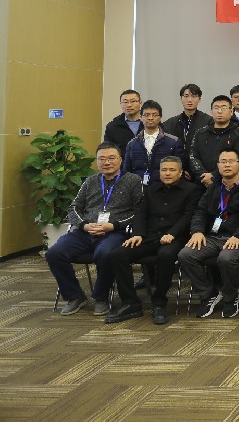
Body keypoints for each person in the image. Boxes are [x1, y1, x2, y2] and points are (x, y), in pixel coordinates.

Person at [45, 142, 143, 316]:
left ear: (120, 160)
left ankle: (101, 297)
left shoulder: (132, 180)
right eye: (101, 159)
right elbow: (73, 208)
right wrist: (84, 225)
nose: (107, 162)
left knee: (106, 254)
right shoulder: (90, 181)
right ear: (97, 162)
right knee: (54, 253)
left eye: (111, 158)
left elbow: (140, 211)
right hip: (85, 231)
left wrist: (114, 225)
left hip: (114, 232)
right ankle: (75, 296)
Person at [105, 156, 199, 324]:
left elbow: (188, 216)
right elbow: (141, 213)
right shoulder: (150, 190)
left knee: (166, 255)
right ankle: (131, 302)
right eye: (164, 170)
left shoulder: (191, 190)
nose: (167, 173)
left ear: (180, 173)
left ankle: (159, 303)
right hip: (149, 236)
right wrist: (138, 234)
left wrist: (172, 233)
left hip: (176, 237)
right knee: (118, 255)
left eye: (172, 170)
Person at [177, 148, 239, 319]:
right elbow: (200, 211)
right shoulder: (214, 186)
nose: (227, 165)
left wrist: (238, 236)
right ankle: (209, 294)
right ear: (218, 165)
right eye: (223, 162)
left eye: (231, 161)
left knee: (226, 258)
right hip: (214, 237)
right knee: (186, 254)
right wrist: (197, 231)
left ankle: (231, 298)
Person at [190, 95, 239, 187]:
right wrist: (203, 175)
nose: (219, 111)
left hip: (227, 184)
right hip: (201, 182)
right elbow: (193, 156)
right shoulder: (200, 133)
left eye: (224, 108)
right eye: (216, 108)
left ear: (231, 111)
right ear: (211, 112)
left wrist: (213, 175)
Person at [123, 99, 184, 186]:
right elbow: (127, 172)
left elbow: (179, 170)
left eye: (154, 115)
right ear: (140, 117)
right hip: (138, 189)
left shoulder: (173, 142)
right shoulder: (132, 144)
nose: (150, 118)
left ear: (160, 117)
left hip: (164, 189)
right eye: (146, 115)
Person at [162, 84, 213, 168]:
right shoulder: (170, 123)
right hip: (177, 169)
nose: (189, 100)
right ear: (181, 99)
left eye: (194, 96)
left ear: (199, 99)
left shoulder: (209, 121)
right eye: (186, 96)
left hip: (201, 169)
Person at [104, 89, 143, 155]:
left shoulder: (151, 123)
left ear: (140, 103)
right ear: (120, 104)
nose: (129, 105)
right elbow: (107, 150)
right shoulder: (112, 126)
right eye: (125, 102)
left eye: (133, 101)